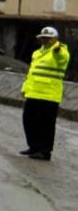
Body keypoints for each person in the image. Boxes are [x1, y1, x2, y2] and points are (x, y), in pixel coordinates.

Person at [20, 26, 70, 160]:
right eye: (43, 38)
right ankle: (34, 147)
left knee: (46, 125)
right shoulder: (37, 53)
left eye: (48, 39)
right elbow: (31, 73)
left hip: (49, 94)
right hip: (34, 93)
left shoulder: (61, 52)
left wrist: (57, 49)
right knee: (29, 121)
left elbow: (61, 58)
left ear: (55, 39)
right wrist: (25, 88)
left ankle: (44, 151)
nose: (45, 41)